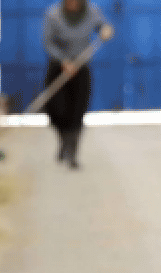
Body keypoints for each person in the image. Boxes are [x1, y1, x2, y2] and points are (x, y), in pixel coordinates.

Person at [42, 0, 114, 169]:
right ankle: (63, 139)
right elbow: (48, 42)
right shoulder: (53, 14)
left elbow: (104, 26)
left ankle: (72, 151)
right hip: (59, 68)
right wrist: (64, 61)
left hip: (81, 67)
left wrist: (106, 30)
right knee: (56, 109)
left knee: (77, 110)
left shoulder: (92, 12)